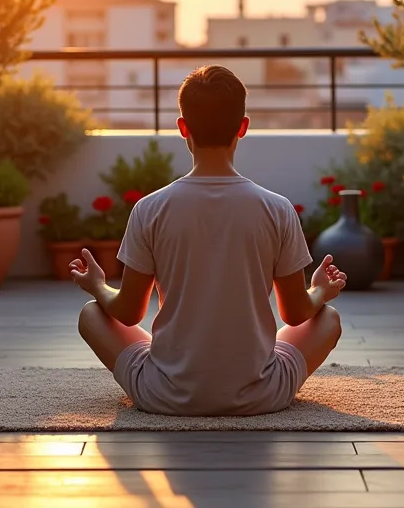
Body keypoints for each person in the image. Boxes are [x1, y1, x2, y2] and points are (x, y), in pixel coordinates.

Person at [69, 65, 347, 416]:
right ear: (243, 127)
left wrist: (97, 285)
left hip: (164, 396)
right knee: (329, 318)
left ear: (182, 127)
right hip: (261, 396)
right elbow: (295, 315)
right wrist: (320, 290)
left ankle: (181, 361)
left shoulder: (149, 209)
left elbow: (127, 312)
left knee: (92, 314)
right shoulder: (277, 209)